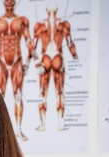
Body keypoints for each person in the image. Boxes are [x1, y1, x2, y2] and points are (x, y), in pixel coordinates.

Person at [0, 0, 37, 141]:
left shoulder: (22, 21)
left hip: (17, 61)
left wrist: (37, 61)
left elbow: (29, 41)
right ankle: (0, 133)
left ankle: (19, 130)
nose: (9, 2)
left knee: (18, 96)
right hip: (1, 61)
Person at [32, 0, 79, 131]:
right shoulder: (64, 25)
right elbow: (70, 43)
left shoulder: (40, 26)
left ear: (46, 11)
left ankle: (42, 125)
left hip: (45, 57)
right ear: (57, 11)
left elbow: (33, 47)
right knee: (60, 92)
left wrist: (32, 62)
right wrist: (76, 57)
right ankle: (60, 124)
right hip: (58, 57)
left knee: (43, 92)